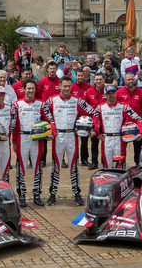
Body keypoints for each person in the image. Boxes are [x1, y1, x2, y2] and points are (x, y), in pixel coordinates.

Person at [42, 76, 98, 206]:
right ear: (59, 86)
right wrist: (50, 126)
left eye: (69, 86)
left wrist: (94, 128)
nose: (67, 89)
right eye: (64, 86)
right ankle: (52, 194)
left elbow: (94, 113)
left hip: (72, 136)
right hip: (58, 137)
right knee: (56, 167)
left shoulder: (78, 100)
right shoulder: (52, 100)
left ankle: (77, 194)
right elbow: (43, 111)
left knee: (74, 167)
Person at [11, 79, 47, 206]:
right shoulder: (17, 104)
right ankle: (21, 194)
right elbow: (14, 125)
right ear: (24, 89)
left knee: (38, 167)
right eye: (29, 88)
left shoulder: (41, 104)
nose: (31, 91)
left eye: (33, 88)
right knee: (21, 168)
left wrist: (49, 133)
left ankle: (37, 194)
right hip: (23, 138)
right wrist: (14, 141)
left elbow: (49, 120)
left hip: (37, 139)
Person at [93, 85, 142, 169]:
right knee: (107, 166)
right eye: (109, 94)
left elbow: (138, 119)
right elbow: (94, 120)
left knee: (120, 166)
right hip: (106, 139)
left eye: (113, 93)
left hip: (119, 139)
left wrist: (141, 132)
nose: (111, 95)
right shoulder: (100, 107)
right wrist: (97, 133)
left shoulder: (124, 107)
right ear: (105, 95)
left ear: (116, 94)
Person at [116, 72, 142, 163]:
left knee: (138, 148)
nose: (130, 81)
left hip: (137, 126)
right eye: (128, 79)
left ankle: (137, 165)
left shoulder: (140, 93)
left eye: (132, 79)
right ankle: (121, 165)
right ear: (124, 81)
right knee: (121, 149)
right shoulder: (119, 93)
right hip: (123, 126)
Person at [72, 68, 93, 165]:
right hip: (74, 117)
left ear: (84, 75)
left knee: (85, 141)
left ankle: (84, 159)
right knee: (73, 140)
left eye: (82, 75)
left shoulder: (89, 88)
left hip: (85, 118)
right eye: (78, 75)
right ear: (75, 76)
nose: (80, 77)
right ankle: (74, 159)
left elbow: (90, 103)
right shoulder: (71, 87)